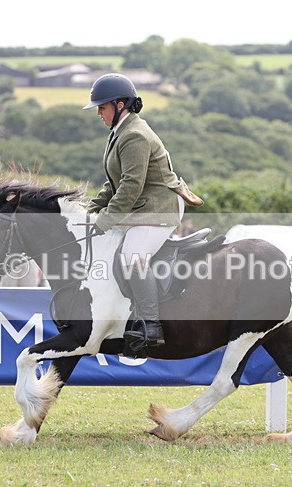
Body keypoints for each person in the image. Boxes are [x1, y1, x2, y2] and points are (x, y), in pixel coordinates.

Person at [83, 73, 203, 349]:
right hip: (143, 205)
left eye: (102, 107)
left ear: (120, 104)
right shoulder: (120, 131)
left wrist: (103, 222)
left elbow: (130, 186)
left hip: (159, 207)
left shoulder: (134, 135)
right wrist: (89, 209)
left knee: (132, 257)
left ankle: (151, 325)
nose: (99, 113)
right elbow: (113, 183)